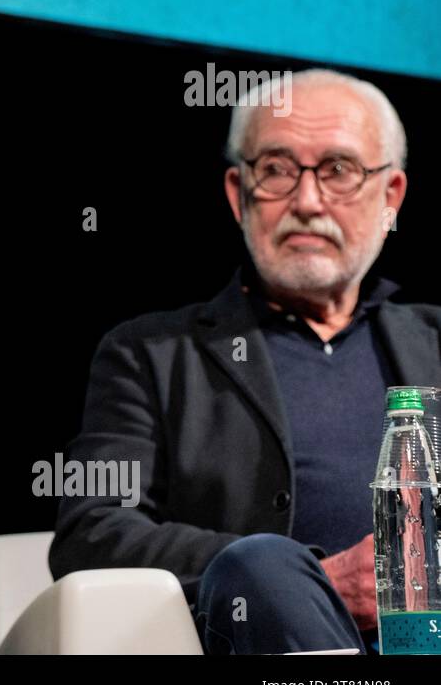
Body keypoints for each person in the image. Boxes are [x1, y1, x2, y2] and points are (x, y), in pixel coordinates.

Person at [50, 68, 439, 654]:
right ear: (239, 192)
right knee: (263, 564)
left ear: (390, 197)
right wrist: (313, 581)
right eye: (278, 170)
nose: (308, 202)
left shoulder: (434, 339)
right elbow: (94, 530)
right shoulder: (151, 354)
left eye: (338, 170)